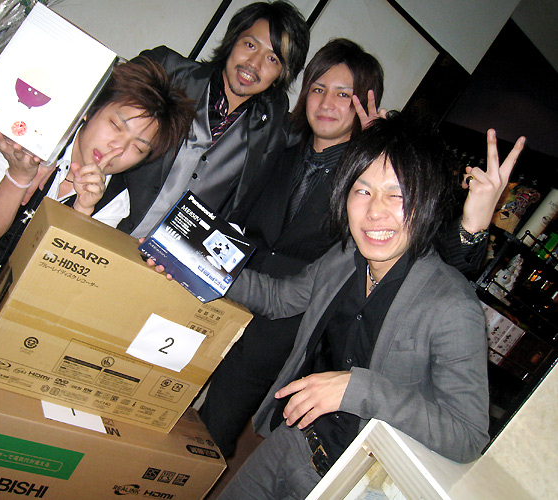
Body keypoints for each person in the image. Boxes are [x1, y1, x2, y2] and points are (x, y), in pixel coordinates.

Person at [199, 38, 506, 458]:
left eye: (344, 94)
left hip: (290, 340)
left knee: (212, 431)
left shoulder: (368, 185)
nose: (327, 103)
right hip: (239, 297)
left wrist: (472, 225)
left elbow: (428, 259)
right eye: (318, 88)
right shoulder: (279, 148)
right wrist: (195, 260)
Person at [215, 112, 526, 499]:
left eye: (397, 195)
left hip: (352, 481)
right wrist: (198, 268)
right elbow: (280, 298)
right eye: (362, 191)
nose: (375, 211)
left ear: (428, 203)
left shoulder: (451, 305)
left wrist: (360, 389)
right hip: (293, 439)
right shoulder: (345, 257)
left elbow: (466, 435)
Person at [0, 57, 195, 339]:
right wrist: (18, 176)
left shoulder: (117, 200)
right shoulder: (27, 132)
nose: (117, 148)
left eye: (137, 148)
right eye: (116, 125)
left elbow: (53, 278)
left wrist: (83, 209)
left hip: (3, 309)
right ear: (90, 111)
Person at [93, 1, 310, 237]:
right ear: (232, 41)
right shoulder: (168, 70)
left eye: (272, 59)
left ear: (282, 75)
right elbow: (95, 101)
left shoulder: (274, 128)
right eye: (250, 45)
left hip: (171, 256)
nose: (254, 64)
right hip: (100, 220)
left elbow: (324, 140)